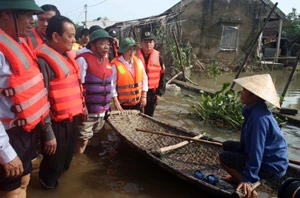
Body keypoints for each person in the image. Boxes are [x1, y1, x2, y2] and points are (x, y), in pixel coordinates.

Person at [0, 0, 52, 197]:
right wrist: (5, 151)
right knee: (11, 191)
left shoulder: (19, 43)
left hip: (25, 132)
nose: (33, 21)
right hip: (7, 135)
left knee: (24, 181)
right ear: (5, 13)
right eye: (27, 16)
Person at [34, 15, 85, 189]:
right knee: (52, 167)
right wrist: (48, 134)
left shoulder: (65, 57)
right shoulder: (43, 62)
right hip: (55, 125)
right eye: (70, 36)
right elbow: (40, 100)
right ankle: (46, 188)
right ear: (55, 36)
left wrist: (82, 108)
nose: (74, 40)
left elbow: (75, 86)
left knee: (65, 163)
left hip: (71, 121)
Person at [219, 74, 289, 198]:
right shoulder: (253, 110)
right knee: (226, 145)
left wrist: (248, 178)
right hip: (269, 158)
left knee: (224, 158)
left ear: (255, 96)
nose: (241, 92)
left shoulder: (258, 118)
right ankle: (238, 176)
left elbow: (257, 151)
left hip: (272, 166)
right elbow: (248, 144)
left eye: (245, 90)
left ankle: (249, 189)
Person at [75, 29, 113, 154]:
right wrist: (82, 107)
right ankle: (75, 162)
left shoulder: (106, 61)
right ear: (92, 44)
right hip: (88, 111)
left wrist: (109, 106)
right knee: (82, 141)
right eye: (102, 43)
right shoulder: (83, 60)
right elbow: (76, 86)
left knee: (95, 140)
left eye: (108, 44)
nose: (106, 47)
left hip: (101, 112)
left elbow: (109, 85)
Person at [111, 38, 148, 112]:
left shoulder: (138, 61)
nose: (132, 53)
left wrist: (144, 96)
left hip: (138, 103)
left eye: (133, 50)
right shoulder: (115, 64)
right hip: (123, 105)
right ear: (124, 51)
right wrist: (115, 101)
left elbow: (144, 79)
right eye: (129, 50)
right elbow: (112, 85)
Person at [136, 31, 166, 116]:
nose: (148, 44)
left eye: (150, 42)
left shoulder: (158, 57)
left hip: (152, 92)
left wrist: (159, 93)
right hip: (138, 91)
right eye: (145, 42)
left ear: (154, 43)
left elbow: (163, 76)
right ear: (141, 43)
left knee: (150, 115)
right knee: (138, 114)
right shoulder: (135, 56)